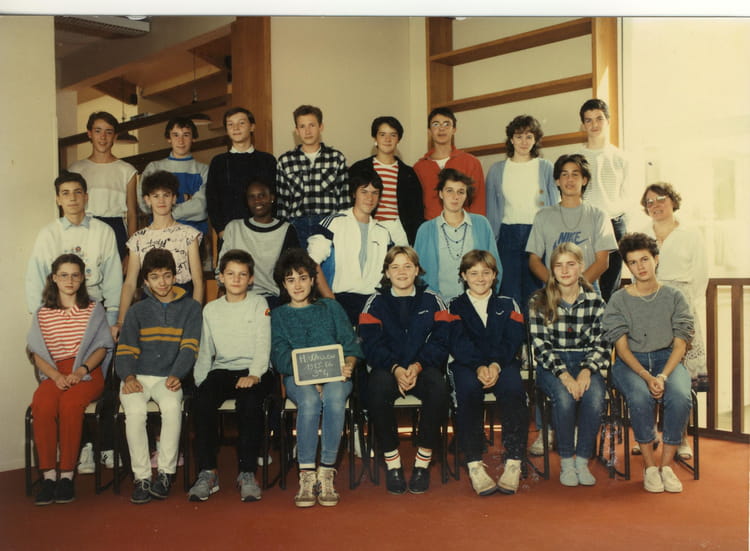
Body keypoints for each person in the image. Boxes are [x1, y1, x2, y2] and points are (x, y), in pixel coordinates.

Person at [270, 249, 363, 507]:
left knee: (334, 396)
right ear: (283, 284)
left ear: (312, 280)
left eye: (302, 278)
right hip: (298, 379)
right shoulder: (278, 316)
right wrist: (312, 376)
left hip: (336, 375)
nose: (297, 285)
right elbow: (280, 357)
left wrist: (349, 365)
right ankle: (307, 474)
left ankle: (327, 472)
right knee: (310, 401)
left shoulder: (331, 307)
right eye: (290, 280)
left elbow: (351, 345)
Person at [603, 233, 694, 494]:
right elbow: (621, 349)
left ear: (656, 259)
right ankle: (650, 467)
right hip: (631, 364)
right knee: (640, 397)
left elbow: (680, 345)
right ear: (627, 266)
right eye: (632, 262)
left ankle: (666, 466)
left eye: (644, 259)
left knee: (680, 396)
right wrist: (646, 376)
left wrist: (662, 376)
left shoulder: (674, 296)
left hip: (668, 360)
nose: (640, 266)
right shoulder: (619, 299)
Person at [359, 246, 452, 495]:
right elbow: (370, 344)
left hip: (422, 367)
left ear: (417, 270)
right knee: (376, 388)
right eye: (395, 267)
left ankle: (422, 462)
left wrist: (418, 365)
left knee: (439, 388)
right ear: (387, 273)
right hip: (388, 369)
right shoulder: (375, 302)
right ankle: (393, 463)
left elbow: (442, 340)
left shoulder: (433, 299)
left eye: (408, 266)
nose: (402, 272)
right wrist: (396, 368)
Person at [26, 254, 114, 505]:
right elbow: (36, 352)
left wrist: (81, 371)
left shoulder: (93, 308)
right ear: (54, 278)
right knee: (42, 404)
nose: (69, 280)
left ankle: (66, 476)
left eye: (75, 275)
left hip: (87, 372)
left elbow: (102, 347)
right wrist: (55, 376)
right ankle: (48, 476)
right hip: (55, 373)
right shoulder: (42, 313)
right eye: (63, 275)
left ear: (82, 278)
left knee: (70, 405)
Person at [116, 248, 201, 504]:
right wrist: (128, 377)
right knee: (135, 413)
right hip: (137, 376)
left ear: (175, 276)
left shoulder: (191, 308)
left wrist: (178, 374)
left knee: (172, 409)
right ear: (145, 281)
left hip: (169, 377)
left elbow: (189, 347)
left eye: (166, 275)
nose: (161, 282)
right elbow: (125, 349)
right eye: (154, 277)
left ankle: (165, 474)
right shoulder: (136, 311)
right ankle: (142, 477)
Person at [188, 249, 273, 502]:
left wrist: (255, 374)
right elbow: (206, 350)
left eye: (242, 274)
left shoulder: (259, 304)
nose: (236, 279)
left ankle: (247, 473)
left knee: (249, 403)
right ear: (221, 277)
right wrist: (201, 382)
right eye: (231, 274)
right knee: (202, 401)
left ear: (251, 279)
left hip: (254, 369)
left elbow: (263, 343)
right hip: (223, 370)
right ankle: (208, 472)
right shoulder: (211, 310)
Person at [448, 250, 529, 495]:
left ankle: (514, 460)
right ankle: (474, 462)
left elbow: (513, 338)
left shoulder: (508, 304)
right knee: (467, 390)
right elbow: (457, 341)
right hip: (467, 364)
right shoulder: (453, 305)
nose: (480, 278)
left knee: (514, 389)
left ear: (494, 275)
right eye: (473, 273)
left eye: (486, 272)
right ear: (464, 276)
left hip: (502, 363)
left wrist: (495, 364)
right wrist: (478, 366)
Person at [528, 242, 608, 487]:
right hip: (552, 365)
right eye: (558, 265)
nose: (564, 271)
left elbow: (602, 344)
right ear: (552, 269)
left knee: (594, 397)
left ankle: (581, 461)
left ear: (581, 267)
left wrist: (585, 372)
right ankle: (566, 461)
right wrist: (564, 375)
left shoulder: (596, 302)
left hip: (586, 362)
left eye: (570, 264)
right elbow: (541, 347)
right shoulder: (539, 300)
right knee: (563, 398)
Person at [639, 182, 707, 459]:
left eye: (661, 199)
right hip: (648, 304)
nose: (655, 205)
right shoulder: (641, 234)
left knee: (681, 375)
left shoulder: (691, 234)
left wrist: (683, 308)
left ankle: (680, 438)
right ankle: (648, 435)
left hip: (681, 305)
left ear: (673, 201)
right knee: (651, 368)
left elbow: (700, 277)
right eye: (649, 201)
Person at [26, 171, 122, 329]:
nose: (72, 198)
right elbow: (35, 278)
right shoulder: (48, 234)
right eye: (65, 193)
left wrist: (112, 315)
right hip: (57, 311)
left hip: (94, 310)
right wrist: (41, 318)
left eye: (77, 192)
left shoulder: (104, 231)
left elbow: (113, 277)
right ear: (58, 199)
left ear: (86, 197)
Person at [115, 171, 203, 336]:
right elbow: (130, 283)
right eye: (155, 196)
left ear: (174, 198)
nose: (161, 200)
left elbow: (198, 281)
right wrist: (121, 321)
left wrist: (194, 317)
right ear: (147, 200)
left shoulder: (189, 234)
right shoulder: (138, 239)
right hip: (150, 302)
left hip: (182, 300)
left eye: (166, 195)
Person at [485, 115, 558, 313]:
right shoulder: (497, 170)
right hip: (507, 236)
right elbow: (492, 212)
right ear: (511, 139)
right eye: (519, 136)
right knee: (509, 293)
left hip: (537, 235)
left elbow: (554, 208)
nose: (524, 142)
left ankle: (535, 333)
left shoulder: (545, 167)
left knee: (537, 293)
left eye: (529, 136)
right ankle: (513, 334)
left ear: (535, 140)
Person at [308, 172, 397, 324]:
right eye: (364, 192)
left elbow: (391, 272)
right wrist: (331, 301)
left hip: (373, 303)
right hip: (340, 300)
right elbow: (311, 263)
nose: (370, 198)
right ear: (353, 194)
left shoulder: (383, 233)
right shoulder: (334, 223)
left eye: (375, 193)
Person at [526, 153, 617, 289]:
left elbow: (602, 262)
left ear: (584, 180)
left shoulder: (599, 216)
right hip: (554, 289)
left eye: (575, 174)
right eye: (564, 174)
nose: (570, 179)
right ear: (557, 181)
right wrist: (555, 286)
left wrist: (575, 288)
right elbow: (534, 261)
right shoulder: (542, 216)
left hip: (588, 286)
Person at [414, 168, 500, 303]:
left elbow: (495, 266)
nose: (455, 197)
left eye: (461, 192)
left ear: (466, 195)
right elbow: (416, 272)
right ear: (441, 193)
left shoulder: (482, 224)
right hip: (437, 305)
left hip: (476, 304)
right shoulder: (425, 230)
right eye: (449, 191)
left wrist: (487, 301)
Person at [576, 99, 631, 302]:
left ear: (608, 120)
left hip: (614, 224)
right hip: (585, 224)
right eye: (588, 120)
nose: (594, 124)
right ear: (583, 125)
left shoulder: (621, 157)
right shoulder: (577, 157)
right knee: (584, 285)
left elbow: (626, 195)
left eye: (599, 118)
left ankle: (609, 323)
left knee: (610, 289)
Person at [217, 180, 300, 309]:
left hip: (270, 298)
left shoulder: (286, 230)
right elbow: (221, 269)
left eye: (261, 195)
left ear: (272, 198)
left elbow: (292, 272)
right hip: (236, 296)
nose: (257, 200)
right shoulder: (234, 227)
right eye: (252, 197)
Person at [68, 111, 138, 260]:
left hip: (116, 230)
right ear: (89, 134)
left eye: (109, 132)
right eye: (98, 131)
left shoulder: (127, 171)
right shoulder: (76, 169)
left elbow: (132, 214)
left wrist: (131, 252)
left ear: (115, 136)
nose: (103, 137)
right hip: (84, 228)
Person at [275, 105, 348, 248]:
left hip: (329, 224)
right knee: (299, 262)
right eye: (302, 126)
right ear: (297, 131)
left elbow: (344, 201)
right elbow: (282, 204)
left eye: (312, 125)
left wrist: (344, 229)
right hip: (297, 224)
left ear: (321, 127)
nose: (307, 131)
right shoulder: (285, 161)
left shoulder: (336, 158)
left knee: (329, 262)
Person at [349, 116, 424, 245]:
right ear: (375, 138)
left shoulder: (408, 173)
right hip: (367, 227)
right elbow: (349, 201)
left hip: (398, 231)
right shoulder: (359, 168)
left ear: (398, 139)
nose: (387, 139)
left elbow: (416, 211)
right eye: (382, 134)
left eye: (393, 135)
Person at [206, 107, 277, 240]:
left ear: (252, 127)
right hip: (230, 233)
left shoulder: (267, 160)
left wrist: (270, 227)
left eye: (241, 123)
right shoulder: (218, 162)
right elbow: (212, 200)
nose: (236, 128)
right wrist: (220, 230)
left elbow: (275, 197)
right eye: (230, 124)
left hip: (262, 231)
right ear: (226, 130)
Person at [139, 117, 209, 240]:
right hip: (159, 234)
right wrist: (187, 202)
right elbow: (144, 203)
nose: (180, 141)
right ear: (168, 138)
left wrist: (163, 211)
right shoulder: (154, 168)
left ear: (193, 138)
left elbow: (201, 207)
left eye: (186, 135)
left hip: (194, 236)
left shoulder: (204, 170)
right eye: (175, 135)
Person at [413, 107, 485, 219]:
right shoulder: (419, 167)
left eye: (447, 124)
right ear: (429, 131)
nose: (441, 128)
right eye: (436, 124)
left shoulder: (471, 162)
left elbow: (478, 202)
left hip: (464, 226)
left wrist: (477, 227)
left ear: (454, 129)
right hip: (431, 226)